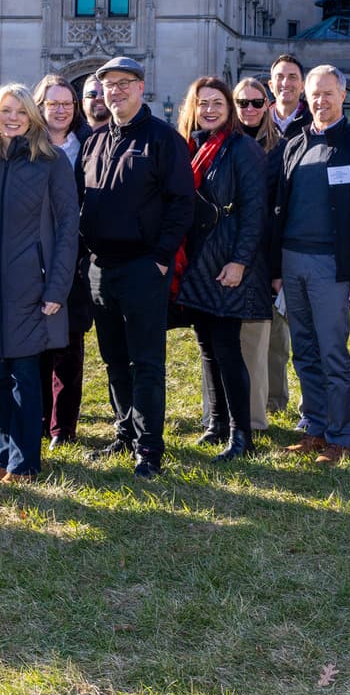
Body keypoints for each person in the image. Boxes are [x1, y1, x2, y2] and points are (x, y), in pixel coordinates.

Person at [79, 56, 195, 478]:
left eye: (124, 83)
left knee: (145, 361)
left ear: (141, 87)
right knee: (114, 359)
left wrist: (161, 258)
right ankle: (125, 432)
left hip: (143, 267)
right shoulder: (93, 141)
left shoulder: (163, 139)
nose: (116, 91)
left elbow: (182, 203)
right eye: (108, 84)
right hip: (100, 269)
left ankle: (149, 448)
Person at [0, 85, 80, 483]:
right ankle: (3, 458)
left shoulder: (51, 162)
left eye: (21, 111)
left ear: (32, 117)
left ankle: (24, 463)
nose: (13, 118)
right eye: (6, 110)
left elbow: (68, 228)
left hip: (32, 285)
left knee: (25, 377)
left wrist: (56, 287)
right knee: (2, 374)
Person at [269, 65, 350, 465]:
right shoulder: (294, 144)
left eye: (328, 93)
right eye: (314, 94)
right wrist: (276, 269)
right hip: (292, 261)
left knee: (333, 351)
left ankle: (341, 435)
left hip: (333, 266)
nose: (320, 101)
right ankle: (315, 428)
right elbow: (278, 208)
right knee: (303, 350)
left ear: (343, 95)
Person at [173, 77, 272, 460]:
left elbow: (255, 211)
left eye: (217, 102)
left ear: (229, 108)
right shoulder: (192, 146)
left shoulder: (242, 148)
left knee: (228, 348)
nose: (209, 109)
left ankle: (241, 434)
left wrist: (240, 262)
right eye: (203, 103)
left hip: (227, 260)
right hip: (198, 260)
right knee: (207, 347)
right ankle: (216, 424)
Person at [33, 75, 90, 449]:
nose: (60, 110)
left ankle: (63, 427)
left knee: (69, 343)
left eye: (67, 103)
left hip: (77, 257)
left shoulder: (88, 145)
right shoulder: (25, 147)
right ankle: (38, 418)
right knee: (36, 342)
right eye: (52, 104)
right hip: (34, 256)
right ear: (39, 107)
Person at [231, 75, 290, 430]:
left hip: (267, 249)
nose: (250, 109)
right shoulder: (225, 143)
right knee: (237, 333)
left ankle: (274, 399)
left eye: (257, 102)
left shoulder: (280, 148)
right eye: (243, 103)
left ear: (267, 105)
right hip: (232, 249)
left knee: (274, 333)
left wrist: (277, 263)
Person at [268, 53, 310, 138]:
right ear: (271, 86)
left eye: (292, 77)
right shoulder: (259, 120)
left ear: (303, 86)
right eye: (279, 77)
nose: (285, 83)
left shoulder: (314, 122)